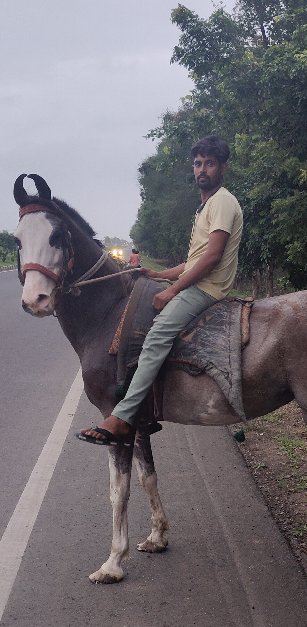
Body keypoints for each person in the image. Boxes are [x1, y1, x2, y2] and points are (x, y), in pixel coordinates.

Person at [78, 135, 243, 446]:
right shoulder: (205, 206)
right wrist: (157, 274)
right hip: (199, 281)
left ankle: (124, 417)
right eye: (197, 164)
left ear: (223, 167)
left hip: (208, 288)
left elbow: (211, 257)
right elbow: (192, 260)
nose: (202, 169)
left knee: (157, 334)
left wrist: (171, 291)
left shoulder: (221, 201)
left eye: (209, 163)